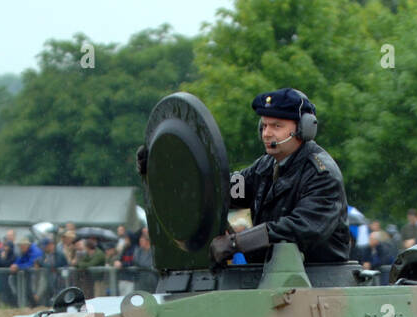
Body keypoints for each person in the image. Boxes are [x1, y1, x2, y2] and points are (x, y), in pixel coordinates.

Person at [139, 88, 351, 265]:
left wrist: (237, 242)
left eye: (277, 126)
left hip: (318, 278)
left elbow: (302, 227)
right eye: (264, 126)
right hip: (270, 277)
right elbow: (222, 191)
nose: (267, 133)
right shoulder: (264, 167)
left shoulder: (321, 174)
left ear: (304, 129)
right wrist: (166, 171)